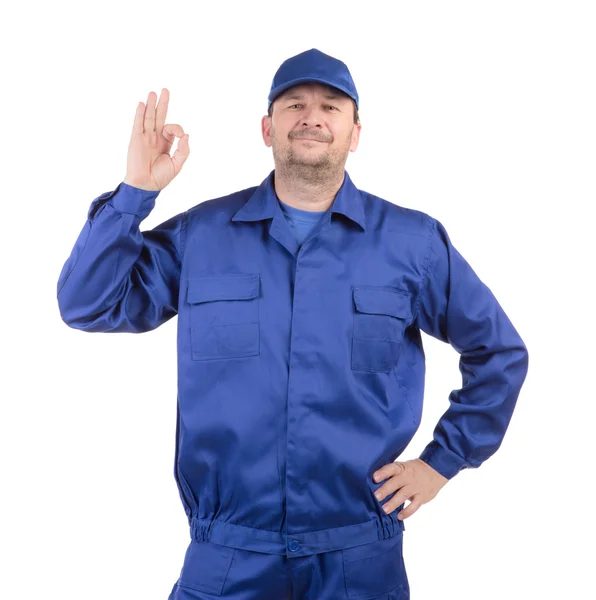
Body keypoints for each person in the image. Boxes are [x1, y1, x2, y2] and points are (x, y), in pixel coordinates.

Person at [57, 48, 529, 600]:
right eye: (294, 104)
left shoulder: (413, 243)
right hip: (228, 555)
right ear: (267, 127)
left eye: (331, 107)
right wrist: (136, 192)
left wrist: (440, 463)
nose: (312, 116)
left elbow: (499, 353)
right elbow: (87, 303)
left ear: (355, 132)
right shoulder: (203, 236)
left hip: (360, 558)